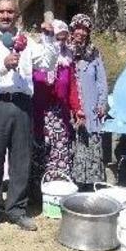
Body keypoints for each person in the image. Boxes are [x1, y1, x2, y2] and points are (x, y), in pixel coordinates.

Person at [0, 0, 57, 232]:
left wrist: (49, 38)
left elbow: (48, 64)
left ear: (17, 15)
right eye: (1, 12)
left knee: (21, 159)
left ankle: (17, 208)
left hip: (21, 104)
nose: (6, 16)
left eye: (11, 12)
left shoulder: (27, 42)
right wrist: (3, 65)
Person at [31, 19, 79, 184]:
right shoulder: (36, 58)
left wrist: (77, 109)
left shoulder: (68, 60)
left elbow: (72, 87)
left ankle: (58, 187)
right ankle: (37, 191)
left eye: (64, 38)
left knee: (60, 150)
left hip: (59, 113)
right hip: (39, 112)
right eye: (58, 37)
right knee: (40, 149)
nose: (61, 42)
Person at [69, 14, 108, 189]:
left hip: (91, 106)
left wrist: (102, 103)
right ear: (72, 29)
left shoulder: (94, 53)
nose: (81, 32)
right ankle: (74, 182)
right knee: (73, 140)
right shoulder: (65, 51)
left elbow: (101, 81)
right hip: (71, 106)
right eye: (78, 28)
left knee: (91, 139)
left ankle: (91, 183)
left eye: (85, 29)